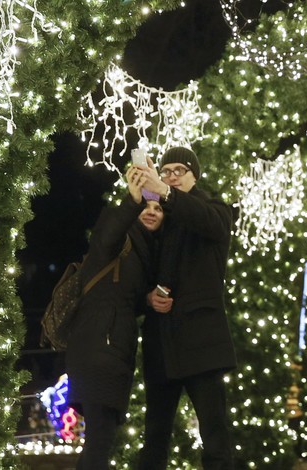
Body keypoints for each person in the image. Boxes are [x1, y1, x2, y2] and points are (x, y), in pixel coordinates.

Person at [134, 147, 236, 469]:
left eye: (180, 170)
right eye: (165, 171)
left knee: (215, 435)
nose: (172, 176)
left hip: (201, 342)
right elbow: (135, 277)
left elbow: (212, 223)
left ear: (195, 175)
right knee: (155, 438)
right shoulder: (156, 218)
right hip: (161, 343)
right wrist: (148, 298)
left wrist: (164, 191)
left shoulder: (214, 208)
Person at [65, 165, 164, 469]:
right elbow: (105, 238)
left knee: (101, 441)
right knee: (100, 442)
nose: (151, 211)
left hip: (112, 351)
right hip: (98, 350)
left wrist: (146, 299)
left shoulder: (144, 252)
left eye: (158, 208)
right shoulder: (119, 235)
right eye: (145, 205)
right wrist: (131, 200)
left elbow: (124, 297)